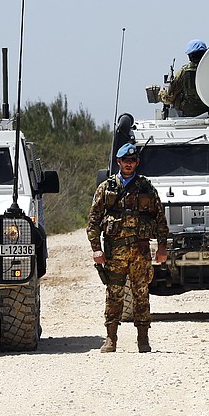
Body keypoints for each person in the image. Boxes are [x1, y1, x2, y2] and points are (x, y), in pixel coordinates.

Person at [87, 143, 169, 353]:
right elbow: (94, 220)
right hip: (115, 252)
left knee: (141, 294)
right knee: (114, 294)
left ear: (137, 163)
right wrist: (97, 249)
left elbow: (160, 219)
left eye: (132, 161)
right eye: (125, 161)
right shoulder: (106, 188)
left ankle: (143, 339)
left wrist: (161, 247)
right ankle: (111, 338)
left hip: (140, 251)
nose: (129, 164)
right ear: (119, 162)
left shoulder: (147, 188)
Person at [159, 39, 209, 117]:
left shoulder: (183, 72)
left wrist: (160, 94)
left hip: (188, 112)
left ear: (190, 56)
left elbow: (169, 98)